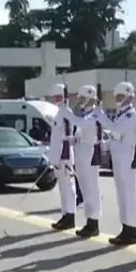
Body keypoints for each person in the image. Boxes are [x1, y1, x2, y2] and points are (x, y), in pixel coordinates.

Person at [95, 82, 136, 246]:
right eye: (117, 97)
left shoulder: (130, 115)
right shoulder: (121, 114)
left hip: (126, 160)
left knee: (128, 196)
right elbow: (115, 135)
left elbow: (115, 129)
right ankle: (125, 228)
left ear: (129, 97)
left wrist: (101, 116)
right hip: (118, 159)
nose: (117, 99)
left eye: (120, 96)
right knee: (122, 196)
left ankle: (131, 230)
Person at [59, 86, 103, 238]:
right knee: (84, 188)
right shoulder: (86, 114)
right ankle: (89, 221)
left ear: (91, 98)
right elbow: (81, 132)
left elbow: (83, 125)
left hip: (89, 155)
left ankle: (94, 222)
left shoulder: (95, 114)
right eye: (80, 98)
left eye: (83, 98)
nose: (80, 101)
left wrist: (68, 114)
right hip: (82, 154)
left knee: (91, 189)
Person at [43, 84, 78, 230]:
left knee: (68, 188)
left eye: (59, 96)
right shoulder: (59, 112)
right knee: (63, 189)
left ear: (65, 97)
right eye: (55, 96)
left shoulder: (66, 112)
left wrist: (61, 159)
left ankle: (70, 216)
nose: (57, 99)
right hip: (59, 157)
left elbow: (66, 137)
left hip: (65, 157)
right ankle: (65, 215)